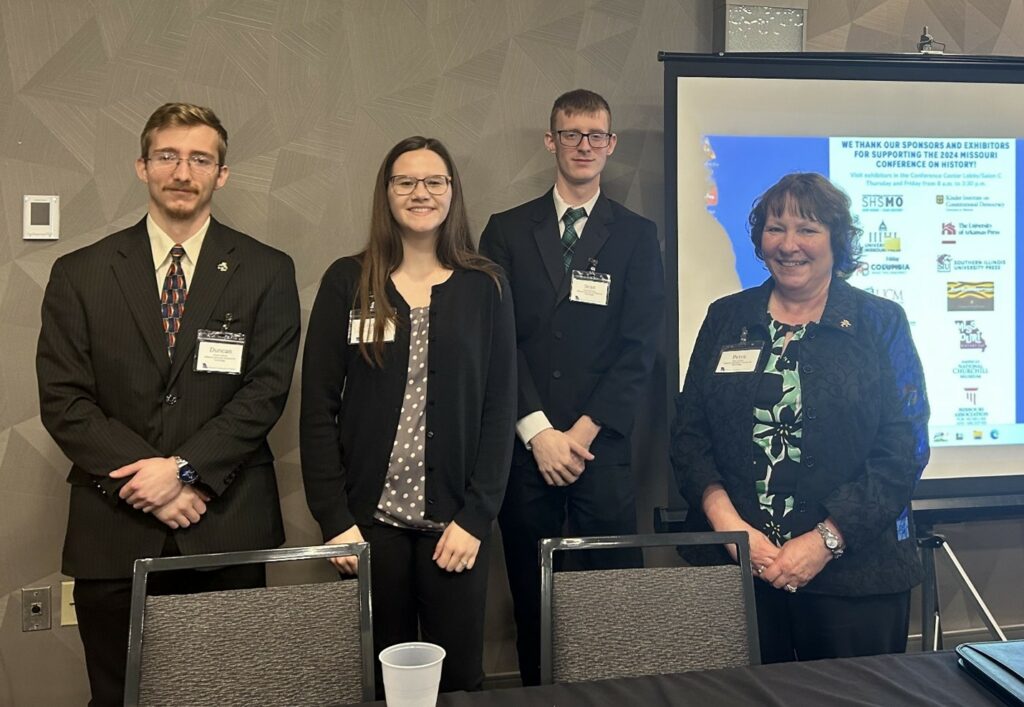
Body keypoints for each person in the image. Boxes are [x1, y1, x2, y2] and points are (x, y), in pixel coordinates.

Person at [35, 102, 301, 706]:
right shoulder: (79, 273)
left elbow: (266, 391)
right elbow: (63, 399)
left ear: (222, 174)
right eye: (168, 156)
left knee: (230, 694)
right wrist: (148, 478)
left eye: (200, 158)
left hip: (225, 522)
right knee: (118, 694)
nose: (183, 172)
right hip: (114, 527)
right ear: (142, 166)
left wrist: (183, 471)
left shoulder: (266, 269)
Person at [671, 172, 929, 663]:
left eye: (807, 229)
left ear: (837, 239)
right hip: (735, 573)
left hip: (854, 580)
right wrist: (731, 529)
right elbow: (689, 435)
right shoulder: (726, 317)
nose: (789, 245)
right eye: (775, 228)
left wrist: (826, 541)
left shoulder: (880, 323)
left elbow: (903, 449)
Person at [300, 136, 516, 693]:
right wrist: (334, 519)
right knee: (379, 680)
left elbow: (500, 407)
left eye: (434, 181)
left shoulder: (485, 286)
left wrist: (477, 517)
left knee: (460, 680)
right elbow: (318, 405)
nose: (420, 192)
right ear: (387, 193)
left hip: (457, 526)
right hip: (369, 526)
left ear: (452, 193)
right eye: (406, 181)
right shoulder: (347, 281)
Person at [479, 89, 665, 685]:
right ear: (550, 140)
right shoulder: (506, 231)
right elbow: (495, 342)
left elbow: (640, 349)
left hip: (599, 451)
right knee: (534, 604)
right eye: (571, 134)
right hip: (525, 451)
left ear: (610, 146)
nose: (583, 146)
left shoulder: (637, 236)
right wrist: (538, 433)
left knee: (608, 603)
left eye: (596, 136)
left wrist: (580, 433)